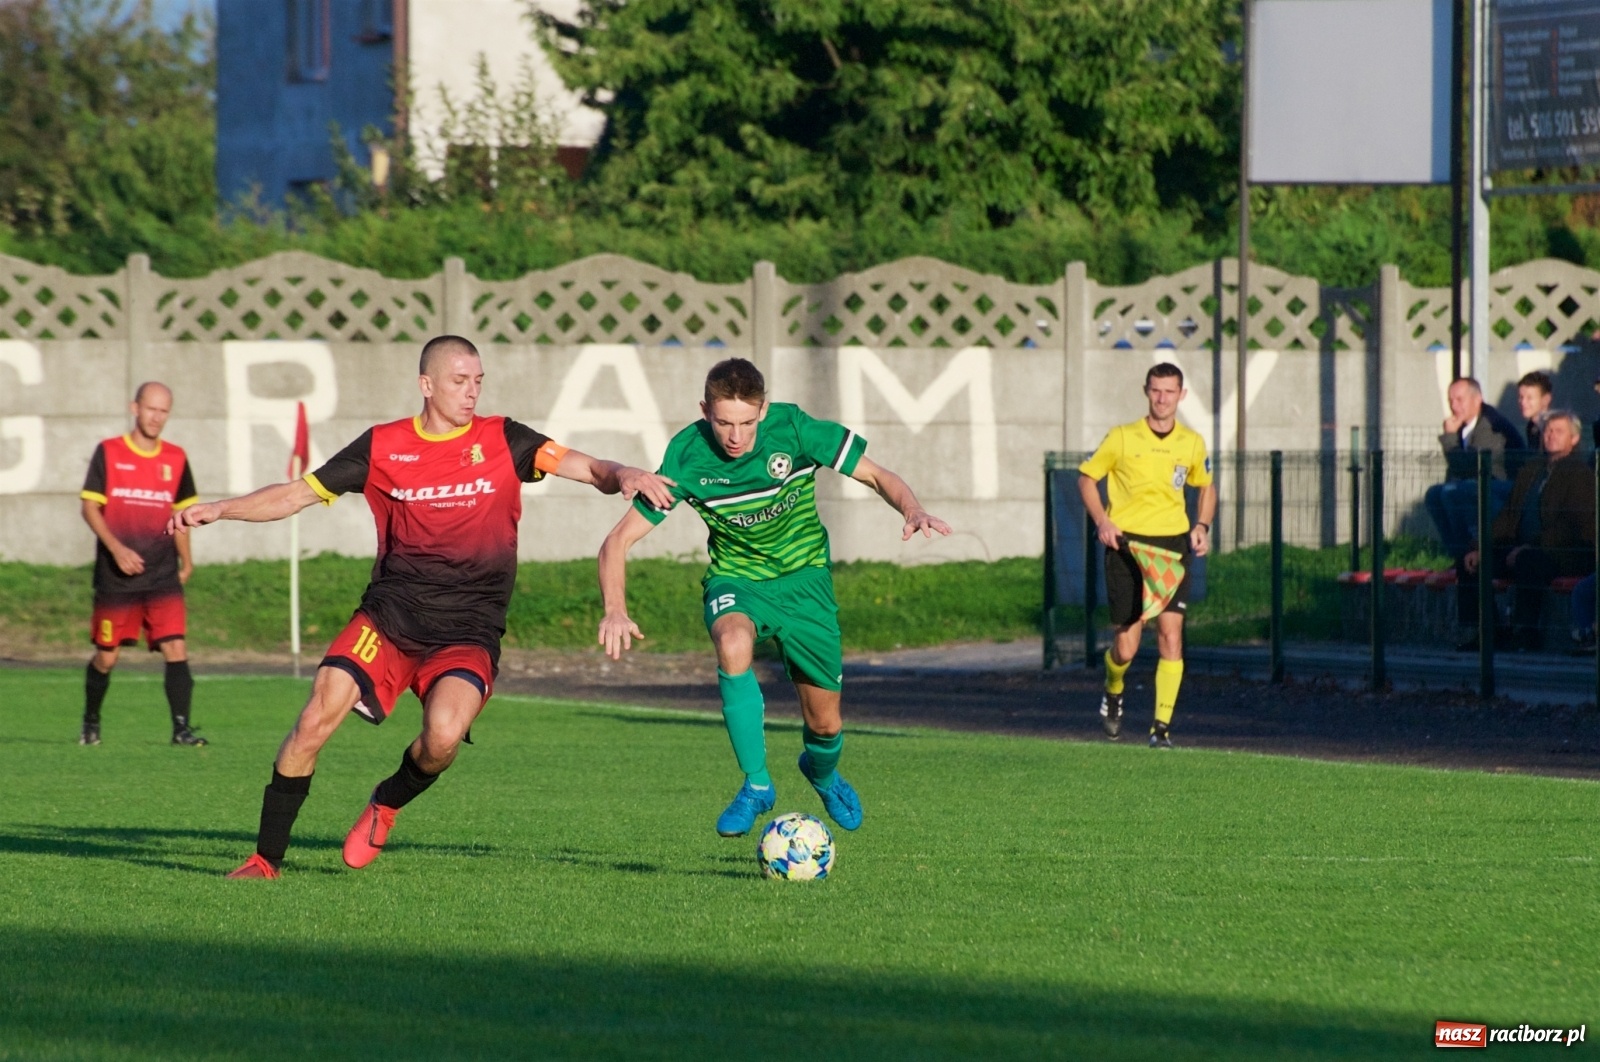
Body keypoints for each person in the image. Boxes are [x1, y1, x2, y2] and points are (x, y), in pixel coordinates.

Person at [169, 335, 673, 879]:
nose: (472, 391)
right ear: (426, 385)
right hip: (389, 619)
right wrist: (220, 509)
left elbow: (589, 466)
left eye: (478, 380)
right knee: (316, 716)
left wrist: (626, 474)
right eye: (460, 381)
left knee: (442, 738)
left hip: (469, 629)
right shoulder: (382, 446)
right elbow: (296, 494)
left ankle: (386, 803)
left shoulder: (505, 439)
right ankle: (265, 858)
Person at [596, 358, 950, 838]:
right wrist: (615, 608)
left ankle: (822, 773)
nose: (736, 436)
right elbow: (617, 541)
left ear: (763, 410)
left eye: (746, 422)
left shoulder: (796, 430)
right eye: (723, 422)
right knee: (733, 642)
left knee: (825, 726)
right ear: (705, 411)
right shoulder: (686, 455)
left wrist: (913, 509)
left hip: (806, 584)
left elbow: (877, 475)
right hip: (737, 581)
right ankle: (757, 784)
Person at [1077, 363, 1217, 749]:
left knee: (1171, 634)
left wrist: (1201, 526)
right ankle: (1113, 688)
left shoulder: (1191, 442)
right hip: (1127, 546)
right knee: (1127, 647)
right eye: (1156, 390)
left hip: (1172, 547)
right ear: (1146, 391)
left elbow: (1206, 486)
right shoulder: (1122, 437)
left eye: (1170, 392)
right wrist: (1103, 521)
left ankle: (1161, 728)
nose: (1162, 398)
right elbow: (1087, 478)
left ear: (1181, 395)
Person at [78, 382, 204, 747]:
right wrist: (117, 550)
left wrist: (187, 559)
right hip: (116, 577)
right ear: (135, 408)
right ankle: (91, 720)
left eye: (164, 411)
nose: (157, 417)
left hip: (162, 574)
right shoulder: (110, 452)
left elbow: (181, 513)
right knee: (107, 656)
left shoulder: (176, 458)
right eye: (151, 409)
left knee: (175, 647)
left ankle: (181, 729)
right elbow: (89, 507)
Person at [1458, 411, 1596, 652]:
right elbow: (1508, 516)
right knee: (1469, 563)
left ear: (1574, 439)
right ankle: (1488, 630)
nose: (1551, 436)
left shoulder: (1579, 474)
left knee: (1529, 563)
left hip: (1562, 551)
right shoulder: (1532, 469)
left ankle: (1525, 633)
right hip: (1522, 547)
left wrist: (1531, 546)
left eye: (1558, 431)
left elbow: (1572, 526)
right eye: (1548, 431)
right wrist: (1480, 545)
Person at [1423, 378, 1524, 562]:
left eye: (1459, 399)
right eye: (1450, 400)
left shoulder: (1491, 425)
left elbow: (1470, 466)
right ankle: (1457, 555)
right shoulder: (1462, 425)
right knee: (1434, 494)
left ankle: (1468, 554)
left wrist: (1449, 438)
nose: (1454, 406)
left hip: (1504, 489)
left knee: (1453, 493)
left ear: (1477, 399)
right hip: (1478, 485)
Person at [1517, 370, 1553, 452]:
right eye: (1521, 397)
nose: (1523, 402)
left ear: (1546, 399)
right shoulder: (1532, 426)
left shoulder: (1552, 429)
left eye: (1529, 398)